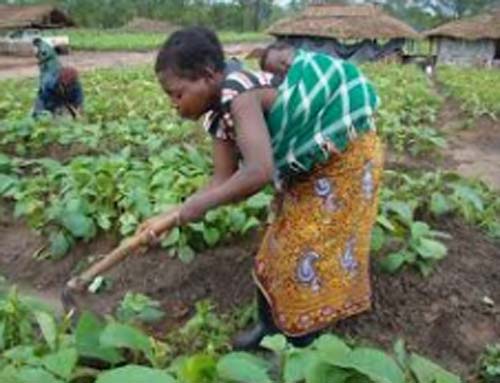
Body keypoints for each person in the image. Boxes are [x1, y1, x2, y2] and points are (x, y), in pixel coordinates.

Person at [137, 27, 383, 350]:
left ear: (208, 76)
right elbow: (221, 181)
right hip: (309, 167)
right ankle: (269, 329)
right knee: (273, 251)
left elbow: (259, 171)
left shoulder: (239, 92)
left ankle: (302, 342)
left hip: (343, 158)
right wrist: (170, 217)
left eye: (177, 93)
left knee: (306, 252)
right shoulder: (217, 116)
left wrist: (195, 208)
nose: (174, 104)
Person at [32, 38, 84, 118]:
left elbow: (78, 100)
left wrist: (78, 112)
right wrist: (41, 113)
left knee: (67, 115)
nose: (68, 85)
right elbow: (43, 100)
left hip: (64, 99)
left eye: (70, 84)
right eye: (65, 84)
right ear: (61, 80)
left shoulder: (76, 85)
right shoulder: (50, 84)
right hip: (49, 100)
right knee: (42, 115)